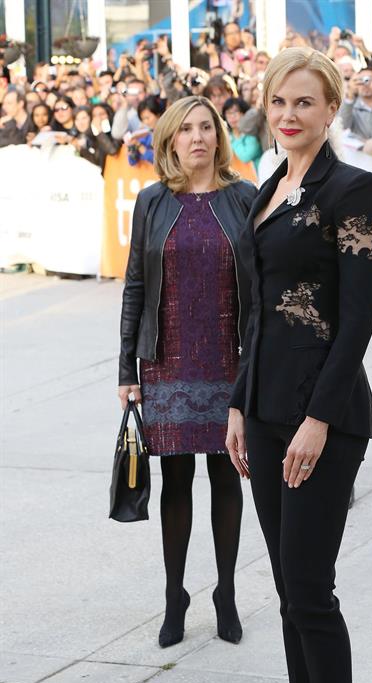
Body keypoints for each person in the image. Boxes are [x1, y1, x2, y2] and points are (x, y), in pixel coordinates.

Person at [226, 47, 372, 683]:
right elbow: (256, 315)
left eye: (305, 103)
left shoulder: (354, 190)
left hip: (323, 414)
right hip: (262, 408)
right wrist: (236, 405)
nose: (290, 114)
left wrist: (318, 419)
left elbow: (356, 318)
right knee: (288, 589)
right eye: (279, 102)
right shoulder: (268, 189)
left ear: (330, 110)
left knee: (310, 589)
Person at [118, 95, 257, 648]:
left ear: (219, 137)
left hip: (229, 356)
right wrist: (127, 367)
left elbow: (263, 285)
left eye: (207, 128)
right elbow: (134, 286)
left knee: (227, 474)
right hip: (166, 360)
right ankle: (175, 595)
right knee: (175, 480)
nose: (198, 137)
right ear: (170, 140)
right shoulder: (152, 202)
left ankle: (226, 591)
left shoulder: (244, 197)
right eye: (187, 129)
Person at [222, 95, 261, 181]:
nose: (232, 116)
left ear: (244, 113)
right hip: (237, 184)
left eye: (236, 112)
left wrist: (232, 141)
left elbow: (245, 156)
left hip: (258, 183)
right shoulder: (228, 135)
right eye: (228, 113)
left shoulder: (251, 133)